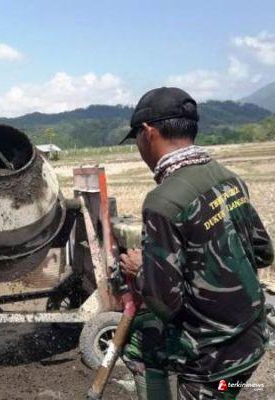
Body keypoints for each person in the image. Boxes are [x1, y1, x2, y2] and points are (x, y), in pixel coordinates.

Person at [118, 87, 274, 399]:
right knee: (229, 389)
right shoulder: (228, 177)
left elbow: (165, 304)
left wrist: (139, 270)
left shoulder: (163, 202)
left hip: (212, 360)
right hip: (253, 338)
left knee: (137, 342)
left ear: (148, 132)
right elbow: (263, 252)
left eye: (136, 138)